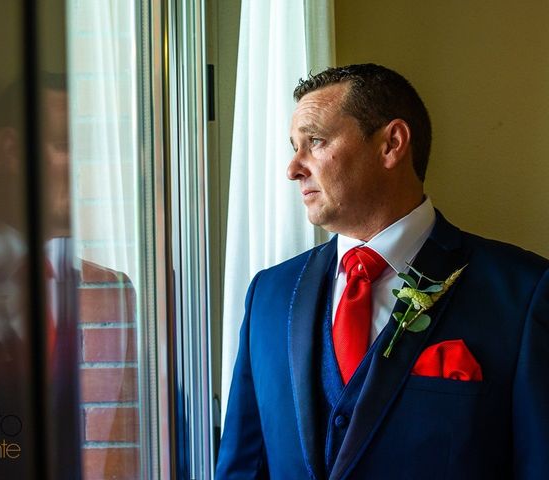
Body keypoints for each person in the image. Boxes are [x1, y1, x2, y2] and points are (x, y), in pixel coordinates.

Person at [216, 63, 549, 479]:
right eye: (293, 147)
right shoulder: (269, 293)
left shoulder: (525, 292)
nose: (293, 168)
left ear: (392, 144)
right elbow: (244, 467)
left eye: (314, 141)